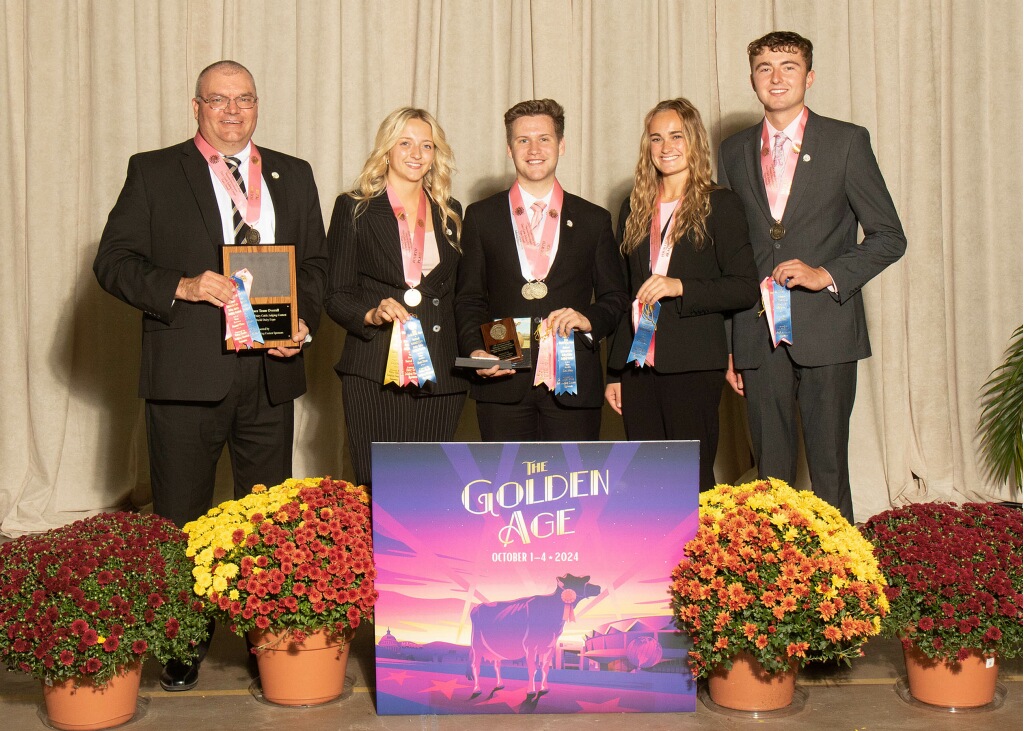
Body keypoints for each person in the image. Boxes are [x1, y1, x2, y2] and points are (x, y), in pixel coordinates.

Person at [93, 60, 328, 690]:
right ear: (195, 106)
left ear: (258, 104)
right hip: (186, 377)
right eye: (219, 101)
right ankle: (181, 639)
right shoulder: (154, 170)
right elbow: (112, 263)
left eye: (245, 99)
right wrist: (183, 285)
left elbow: (321, 269)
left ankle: (266, 636)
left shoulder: (293, 173)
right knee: (181, 515)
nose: (233, 111)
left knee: (264, 517)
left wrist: (301, 324)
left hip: (271, 377)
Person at [717, 31, 906, 521]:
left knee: (828, 467)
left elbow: (889, 236)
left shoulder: (846, 141)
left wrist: (827, 273)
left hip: (828, 330)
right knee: (769, 473)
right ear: (752, 78)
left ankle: (842, 584)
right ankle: (774, 579)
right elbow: (729, 258)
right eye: (764, 67)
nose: (776, 77)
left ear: (810, 77)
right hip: (758, 335)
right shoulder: (733, 151)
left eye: (789, 66)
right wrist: (731, 344)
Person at [605, 99, 759, 492]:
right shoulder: (634, 208)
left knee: (690, 476)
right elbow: (624, 294)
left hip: (692, 362)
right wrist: (614, 371)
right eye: (656, 138)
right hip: (639, 364)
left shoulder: (720, 204)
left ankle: (696, 555)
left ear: (694, 142)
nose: (666, 146)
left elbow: (743, 285)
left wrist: (681, 287)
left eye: (676, 136)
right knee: (643, 477)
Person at [455, 99, 629, 441]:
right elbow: (469, 298)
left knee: (572, 489)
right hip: (502, 382)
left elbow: (615, 297)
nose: (534, 149)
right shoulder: (480, 216)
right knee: (505, 488)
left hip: (572, 381)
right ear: (509, 149)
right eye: (523, 140)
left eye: (544, 138)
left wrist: (588, 320)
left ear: (561, 145)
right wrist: (476, 348)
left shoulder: (594, 220)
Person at [325, 108, 467, 486]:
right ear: (387, 149)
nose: (416, 153)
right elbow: (335, 293)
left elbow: (460, 296)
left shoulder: (451, 212)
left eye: (426, 145)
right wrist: (370, 314)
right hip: (374, 369)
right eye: (405, 143)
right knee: (379, 487)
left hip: (441, 374)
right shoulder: (354, 207)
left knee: (431, 491)